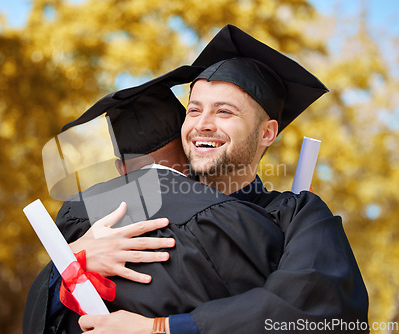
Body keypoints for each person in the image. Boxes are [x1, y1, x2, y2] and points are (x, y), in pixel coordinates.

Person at [75, 25, 369, 333]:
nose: (203, 124)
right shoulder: (134, 211)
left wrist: (160, 329)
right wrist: (72, 257)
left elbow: (320, 309)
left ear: (267, 133)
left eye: (224, 112)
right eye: (193, 110)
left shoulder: (296, 216)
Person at [23, 65, 286, 334]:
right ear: (191, 150)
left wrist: (71, 263)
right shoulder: (238, 219)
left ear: (121, 168)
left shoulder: (76, 220)